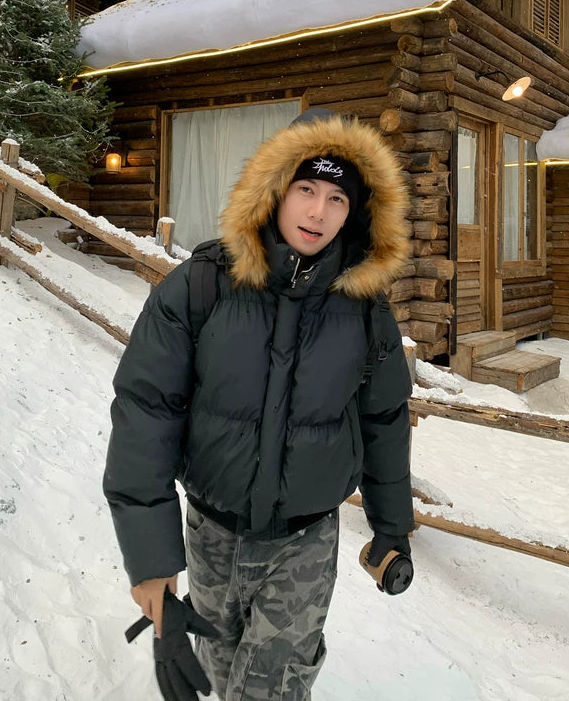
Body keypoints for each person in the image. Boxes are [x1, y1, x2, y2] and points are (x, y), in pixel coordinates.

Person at [103, 106, 414, 700]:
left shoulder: (365, 309)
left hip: (305, 541)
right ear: (275, 190)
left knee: (272, 688)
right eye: (306, 190)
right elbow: (147, 410)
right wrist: (151, 560)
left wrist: (392, 528)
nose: (318, 212)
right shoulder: (202, 285)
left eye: (337, 199)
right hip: (212, 533)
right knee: (221, 672)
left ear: (356, 213)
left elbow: (384, 418)